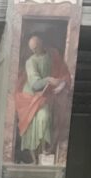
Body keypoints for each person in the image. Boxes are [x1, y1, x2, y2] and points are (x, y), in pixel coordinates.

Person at [15, 33, 71, 164]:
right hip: (32, 98)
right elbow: (35, 85)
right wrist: (49, 79)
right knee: (41, 119)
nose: (34, 50)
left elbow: (62, 73)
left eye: (36, 47)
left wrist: (61, 83)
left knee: (51, 118)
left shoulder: (52, 55)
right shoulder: (30, 62)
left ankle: (46, 152)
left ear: (41, 44)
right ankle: (35, 158)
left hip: (48, 95)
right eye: (32, 49)